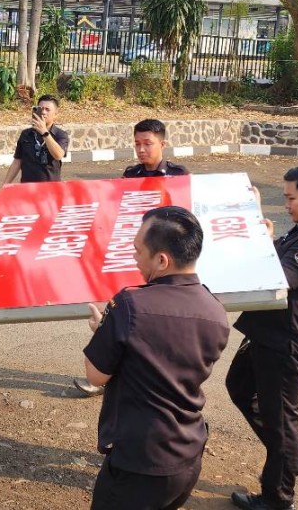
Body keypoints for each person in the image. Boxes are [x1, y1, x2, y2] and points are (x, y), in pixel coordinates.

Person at [83, 206, 229, 510]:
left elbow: (96, 376)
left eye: (138, 251)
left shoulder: (130, 306)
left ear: (162, 260)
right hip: (187, 455)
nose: (134, 257)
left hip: (140, 462)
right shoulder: (216, 310)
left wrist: (103, 331)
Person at [226, 165, 298, 510]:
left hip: (287, 342)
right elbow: (280, 256)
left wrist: (254, 237)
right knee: (240, 387)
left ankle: (278, 498)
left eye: (291, 197)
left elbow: (278, 277)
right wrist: (267, 237)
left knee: (280, 420)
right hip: (270, 333)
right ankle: (294, 455)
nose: (286, 203)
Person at [74, 117, 190, 396]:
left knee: (158, 319)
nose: (141, 150)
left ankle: (155, 378)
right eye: (137, 144)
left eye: (147, 144)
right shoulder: (131, 174)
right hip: (132, 254)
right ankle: (105, 373)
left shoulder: (178, 174)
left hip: (164, 261)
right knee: (121, 315)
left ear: (162, 144)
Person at [2, 94, 70, 185]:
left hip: (51, 190)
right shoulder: (26, 134)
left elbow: (58, 155)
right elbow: (17, 162)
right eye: (41, 109)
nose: (44, 112)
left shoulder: (60, 135)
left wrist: (45, 133)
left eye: (47, 109)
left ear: (55, 114)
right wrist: (5, 185)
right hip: (28, 189)